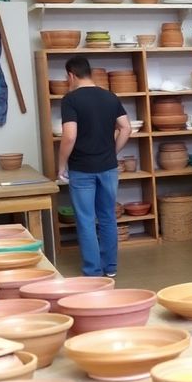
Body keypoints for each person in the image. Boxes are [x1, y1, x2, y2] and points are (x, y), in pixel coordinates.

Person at [57, 55, 131, 278]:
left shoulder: (70, 100)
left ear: (71, 75)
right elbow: (126, 128)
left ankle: (93, 270)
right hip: (108, 168)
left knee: (86, 220)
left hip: (82, 169)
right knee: (108, 217)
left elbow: (69, 137)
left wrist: (61, 166)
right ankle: (111, 268)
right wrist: (112, 152)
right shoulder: (109, 96)